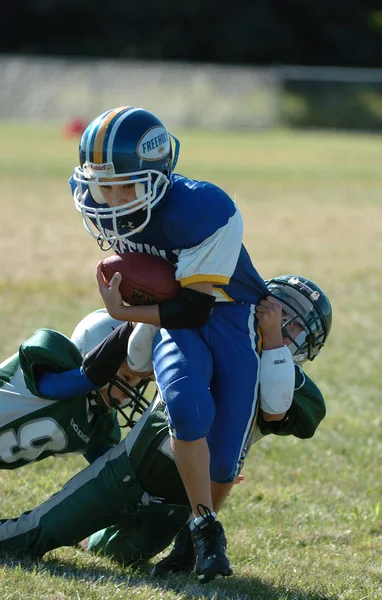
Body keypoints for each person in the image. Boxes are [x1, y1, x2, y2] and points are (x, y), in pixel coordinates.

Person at [0, 275, 332, 583]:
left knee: (120, 555)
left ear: (308, 346)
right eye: (276, 312)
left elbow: (279, 411)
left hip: (177, 501)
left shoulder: (295, 388)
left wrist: (273, 345)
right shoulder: (216, 332)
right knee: (32, 536)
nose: (283, 326)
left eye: (295, 328)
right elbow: (138, 358)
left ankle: (92, 538)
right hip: (123, 472)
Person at [70, 105, 276, 582]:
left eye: (125, 185)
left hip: (229, 315)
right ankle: (206, 527)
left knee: (225, 453)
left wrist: (123, 314)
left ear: (158, 176)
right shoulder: (104, 195)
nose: (109, 198)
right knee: (185, 406)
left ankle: (189, 537)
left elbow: (196, 308)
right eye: (102, 183)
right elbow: (175, 309)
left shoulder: (204, 209)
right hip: (176, 322)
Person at [0, 309, 144, 468]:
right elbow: (67, 385)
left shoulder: (99, 424)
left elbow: (111, 470)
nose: (129, 392)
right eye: (126, 378)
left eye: (136, 385)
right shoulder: (52, 368)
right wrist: (129, 330)